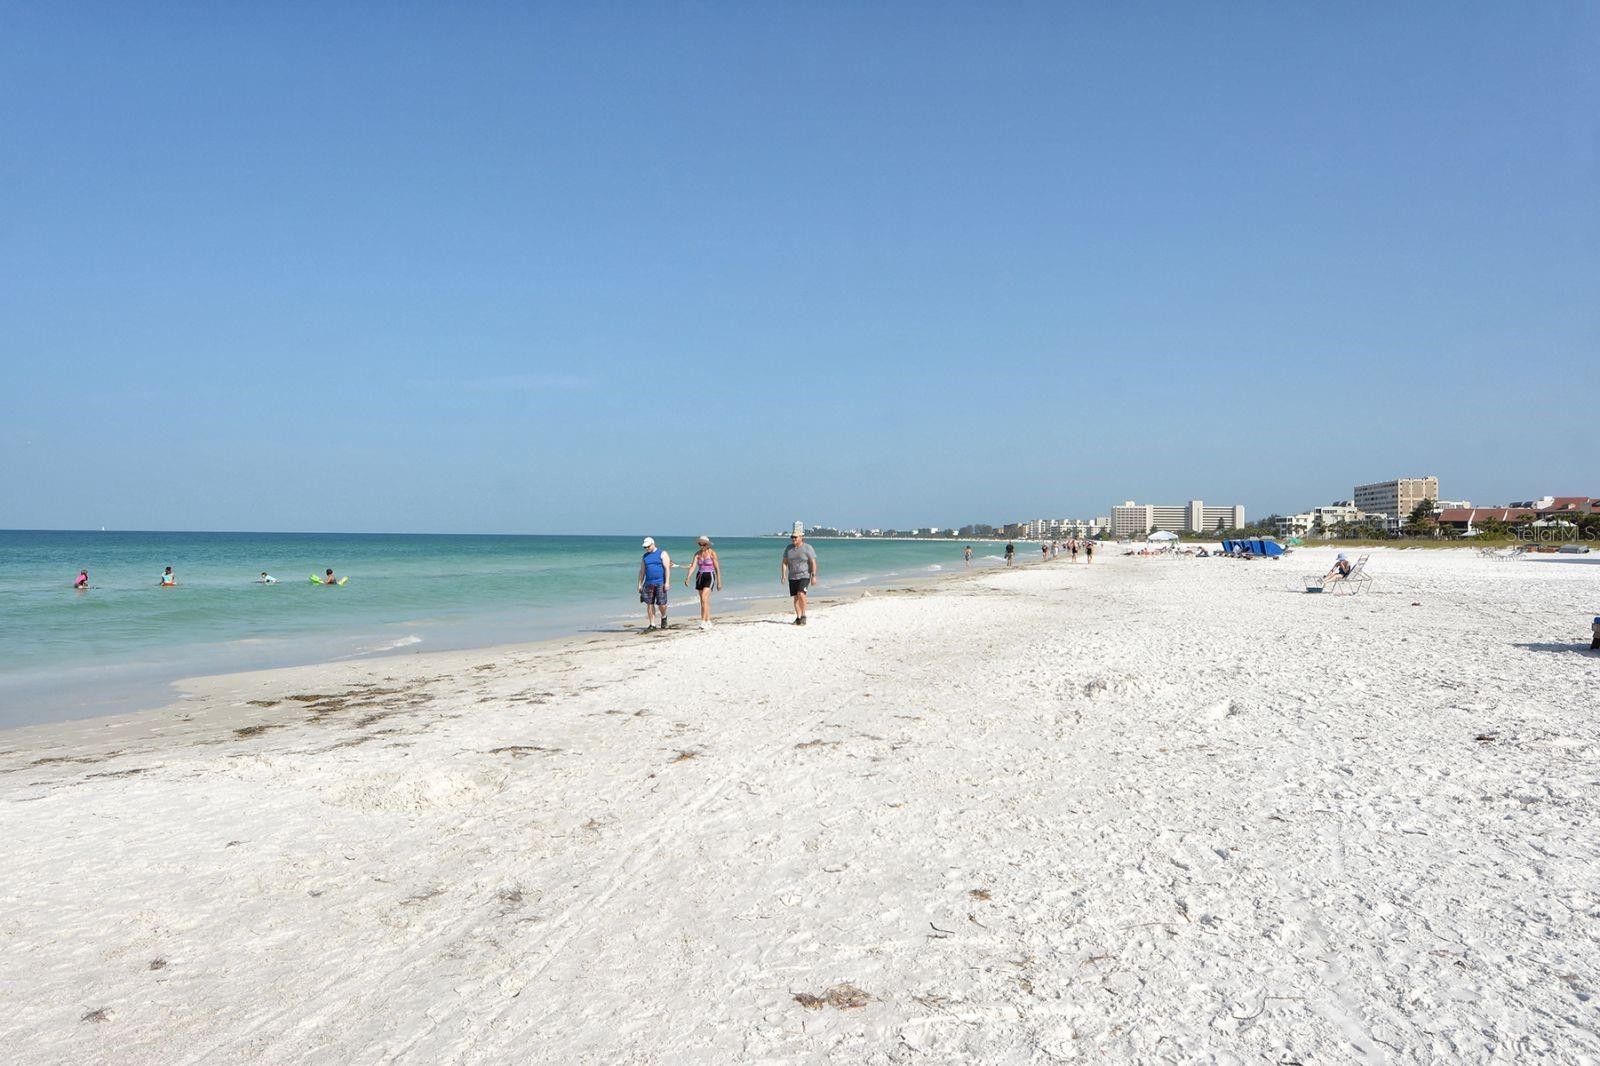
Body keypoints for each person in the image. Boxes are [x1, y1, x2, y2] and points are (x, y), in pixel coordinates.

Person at [781, 525, 818, 625]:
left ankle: (804, 615)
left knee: (801, 594)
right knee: (796, 597)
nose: (793, 539)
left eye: (795, 537)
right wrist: (783, 575)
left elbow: (813, 562)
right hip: (792, 576)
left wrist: (814, 576)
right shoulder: (788, 548)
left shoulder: (807, 548)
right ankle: (798, 617)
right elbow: (784, 562)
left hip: (804, 575)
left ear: (801, 537)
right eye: (792, 537)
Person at [683, 536, 721, 629]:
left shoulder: (712, 553)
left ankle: (703, 621)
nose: (701, 546)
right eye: (700, 544)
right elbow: (693, 566)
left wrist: (719, 581)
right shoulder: (697, 554)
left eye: (703, 544)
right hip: (700, 577)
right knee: (703, 601)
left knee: (704, 598)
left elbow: (717, 568)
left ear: (707, 544)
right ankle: (708, 621)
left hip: (709, 576)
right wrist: (688, 577)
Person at [637, 537, 671, 630]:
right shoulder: (645, 557)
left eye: (648, 546)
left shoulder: (662, 553)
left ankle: (664, 617)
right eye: (645, 547)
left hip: (660, 582)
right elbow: (642, 571)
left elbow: (667, 569)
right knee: (649, 603)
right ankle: (652, 624)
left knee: (661, 604)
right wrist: (639, 584)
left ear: (653, 544)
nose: (647, 548)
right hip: (648, 583)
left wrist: (667, 582)